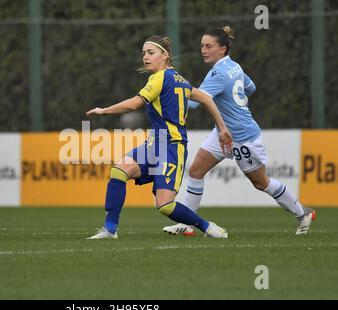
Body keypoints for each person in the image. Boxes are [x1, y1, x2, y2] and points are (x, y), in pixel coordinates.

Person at [163, 26, 316, 236]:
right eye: (202, 46)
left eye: (209, 46)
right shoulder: (234, 66)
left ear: (223, 49)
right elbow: (250, 87)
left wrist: (169, 92)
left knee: (261, 182)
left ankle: (302, 213)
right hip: (223, 132)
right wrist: (236, 107)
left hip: (242, 137)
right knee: (196, 171)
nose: (203, 50)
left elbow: (198, 102)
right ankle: (188, 222)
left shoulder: (217, 73)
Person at [85, 35, 233, 239]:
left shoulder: (160, 78)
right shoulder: (180, 79)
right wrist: (222, 128)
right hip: (154, 145)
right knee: (119, 171)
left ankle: (207, 226)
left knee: (164, 205)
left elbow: (134, 104)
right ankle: (110, 229)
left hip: (172, 147)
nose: (145, 57)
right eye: (144, 53)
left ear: (165, 55)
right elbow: (206, 99)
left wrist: (104, 111)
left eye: (151, 52)